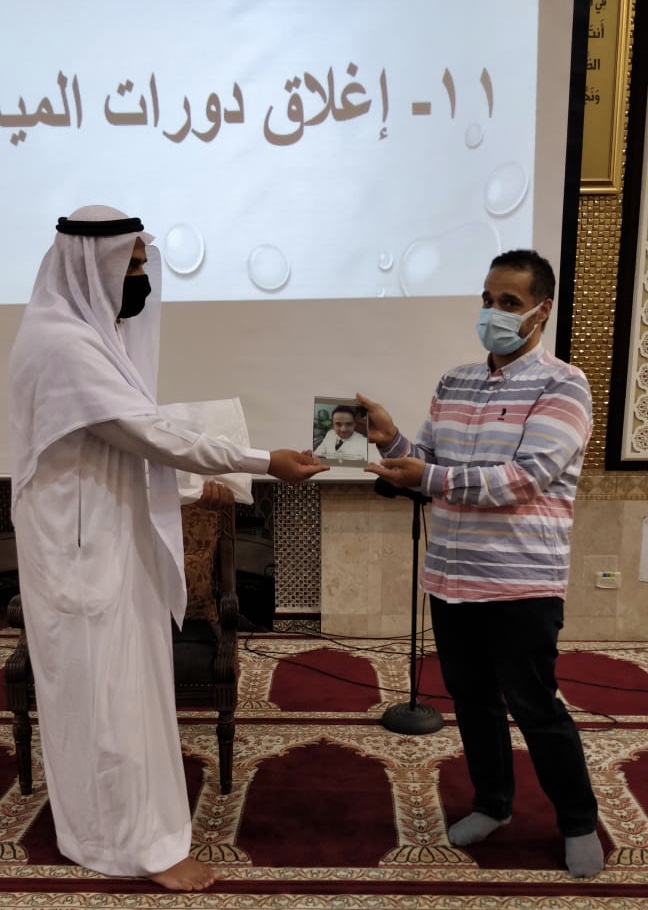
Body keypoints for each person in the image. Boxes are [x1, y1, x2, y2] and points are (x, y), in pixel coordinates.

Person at [7, 205, 328, 891]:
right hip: (82, 555)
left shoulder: (86, 337)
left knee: (117, 693)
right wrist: (262, 461)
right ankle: (133, 847)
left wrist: (197, 480)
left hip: (103, 542)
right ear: (89, 267)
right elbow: (147, 435)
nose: (140, 281)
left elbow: (118, 445)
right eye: (129, 267)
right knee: (106, 698)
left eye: (142, 265)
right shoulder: (63, 344)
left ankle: (109, 831)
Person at [357, 249, 604, 879]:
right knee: (472, 703)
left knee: (535, 706)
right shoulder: (455, 381)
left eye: (510, 303)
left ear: (542, 312)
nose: (493, 313)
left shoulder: (564, 385)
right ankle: (493, 805)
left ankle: (578, 820)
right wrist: (390, 440)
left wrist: (427, 475)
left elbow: (526, 477)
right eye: (488, 300)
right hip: (450, 577)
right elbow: (427, 464)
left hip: (520, 581)